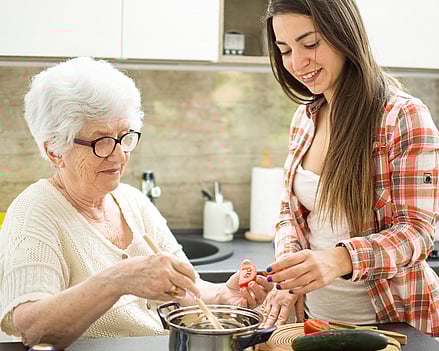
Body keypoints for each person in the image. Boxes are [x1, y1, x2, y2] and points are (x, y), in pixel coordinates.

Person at [0, 57, 272, 349]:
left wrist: (221, 296)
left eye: (124, 137)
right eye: (101, 142)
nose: (119, 156)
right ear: (54, 150)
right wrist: (117, 280)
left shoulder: (132, 201)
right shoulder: (34, 213)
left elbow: (188, 288)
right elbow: (32, 328)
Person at [260, 0, 439, 336]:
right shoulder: (304, 119)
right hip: (316, 324)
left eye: (310, 43)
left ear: (344, 33)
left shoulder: (401, 117)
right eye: (284, 50)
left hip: (393, 326)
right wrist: (288, 272)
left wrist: (339, 259)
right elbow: (290, 213)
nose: (297, 63)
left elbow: (418, 232)